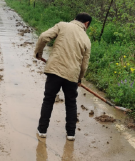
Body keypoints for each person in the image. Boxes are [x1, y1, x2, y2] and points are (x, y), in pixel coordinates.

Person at [34, 13, 92, 141]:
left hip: (55, 70)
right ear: (86, 23)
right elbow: (84, 65)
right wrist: (79, 78)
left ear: (75, 19)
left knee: (48, 99)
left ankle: (42, 130)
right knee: (71, 103)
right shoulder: (87, 40)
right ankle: (71, 133)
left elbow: (44, 37)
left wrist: (38, 52)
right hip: (72, 75)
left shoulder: (62, 25)